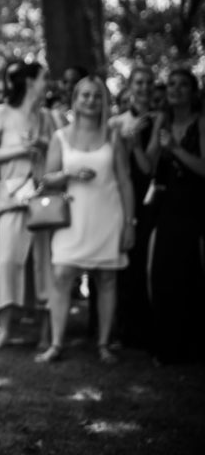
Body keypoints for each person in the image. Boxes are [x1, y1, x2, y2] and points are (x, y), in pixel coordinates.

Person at [35, 77, 135, 364]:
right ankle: (56, 343)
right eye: (84, 96)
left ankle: (104, 343)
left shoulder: (113, 136)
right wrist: (69, 175)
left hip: (107, 214)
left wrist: (130, 223)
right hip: (72, 218)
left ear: (103, 101)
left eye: (96, 96)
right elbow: (46, 179)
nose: (90, 101)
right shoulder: (61, 137)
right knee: (62, 274)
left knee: (106, 278)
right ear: (75, 100)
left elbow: (125, 181)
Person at [0, 60, 55, 351]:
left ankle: (46, 333)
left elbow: (58, 156)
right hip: (10, 197)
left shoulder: (47, 117)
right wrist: (21, 149)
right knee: (6, 263)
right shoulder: (2, 112)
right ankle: (5, 331)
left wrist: (43, 146)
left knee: (42, 264)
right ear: (30, 82)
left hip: (40, 198)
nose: (47, 84)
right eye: (44, 79)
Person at [145, 68, 205, 364]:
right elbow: (147, 165)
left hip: (195, 206)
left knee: (192, 274)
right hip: (167, 206)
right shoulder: (162, 121)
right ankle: (166, 346)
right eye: (171, 84)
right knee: (162, 274)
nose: (175, 89)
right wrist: (138, 144)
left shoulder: (201, 123)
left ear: (194, 92)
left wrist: (176, 149)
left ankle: (192, 346)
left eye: (183, 85)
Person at [114, 66, 156, 350]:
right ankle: (116, 328)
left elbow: (148, 167)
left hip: (147, 197)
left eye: (148, 83)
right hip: (117, 195)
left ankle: (142, 330)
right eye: (138, 83)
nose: (142, 88)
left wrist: (136, 144)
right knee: (118, 263)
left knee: (141, 261)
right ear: (129, 87)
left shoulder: (158, 119)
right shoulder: (115, 122)